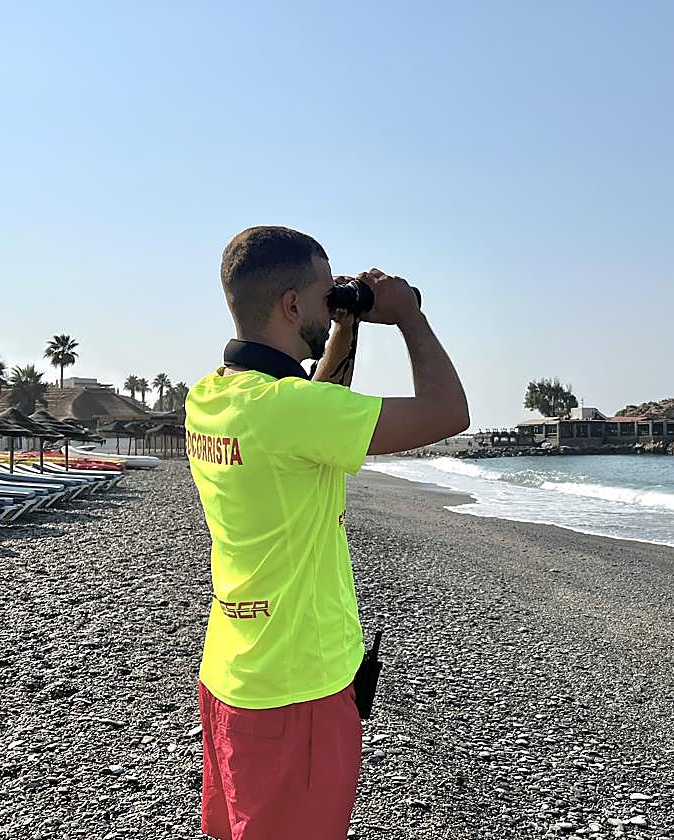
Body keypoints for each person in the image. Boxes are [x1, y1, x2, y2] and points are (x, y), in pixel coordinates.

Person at [185, 226, 469, 840]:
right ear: (292, 305)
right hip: (298, 692)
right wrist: (408, 317)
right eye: (323, 293)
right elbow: (450, 411)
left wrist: (342, 327)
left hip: (234, 672)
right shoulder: (289, 411)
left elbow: (307, 416)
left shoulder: (212, 396)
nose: (331, 300)